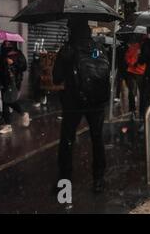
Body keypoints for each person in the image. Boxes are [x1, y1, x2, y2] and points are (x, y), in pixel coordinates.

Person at [53, 20, 109, 193]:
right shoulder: (97, 49)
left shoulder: (68, 50)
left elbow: (57, 78)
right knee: (97, 139)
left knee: (67, 141)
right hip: (97, 102)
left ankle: (65, 181)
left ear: (71, 31)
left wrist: (65, 60)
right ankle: (98, 179)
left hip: (74, 102)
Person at [0, 41, 30, 134]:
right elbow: (0, 67)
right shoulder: (2, 53)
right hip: (3, 81)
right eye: (5, 43)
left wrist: (13, 62)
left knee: (9, 101)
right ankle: (8, 124)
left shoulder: (18, 54)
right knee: (5, 101)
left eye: (9, 43)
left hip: (13, 81)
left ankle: (22, 113)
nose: (6, 45)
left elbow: (24, 67)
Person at [125, 34, 147, 122]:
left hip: (141, 72)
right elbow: (127, 58)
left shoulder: (145, 47)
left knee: (141, 94)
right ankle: (133, 111)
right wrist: (133, 62)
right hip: (133, 72)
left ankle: (140, 112)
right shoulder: (134, 47)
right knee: (132, 92)